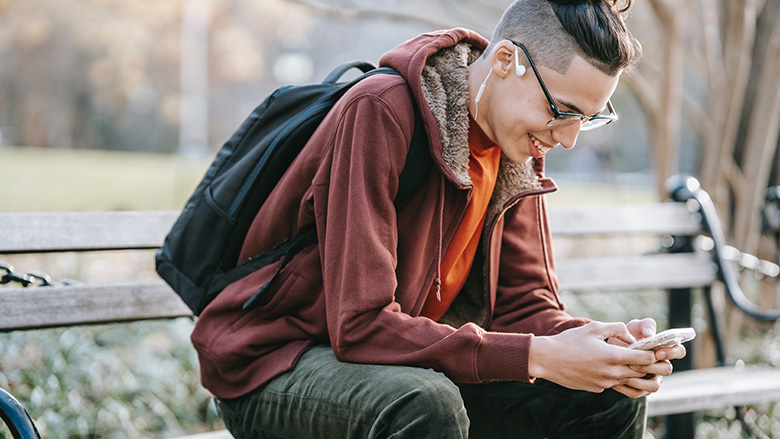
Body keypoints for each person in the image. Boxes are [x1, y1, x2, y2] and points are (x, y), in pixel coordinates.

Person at [191, 0, 687, 437]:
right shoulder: (380, 113)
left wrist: (603, 347)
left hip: (408, 365)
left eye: (588, 118)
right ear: (506, 60)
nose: (569, 137)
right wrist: (538, 355)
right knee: (425, 403)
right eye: (562, 110)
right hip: (278, 365)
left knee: (607, 394)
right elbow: (360, 326)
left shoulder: (517, 142)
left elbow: (522, 305)